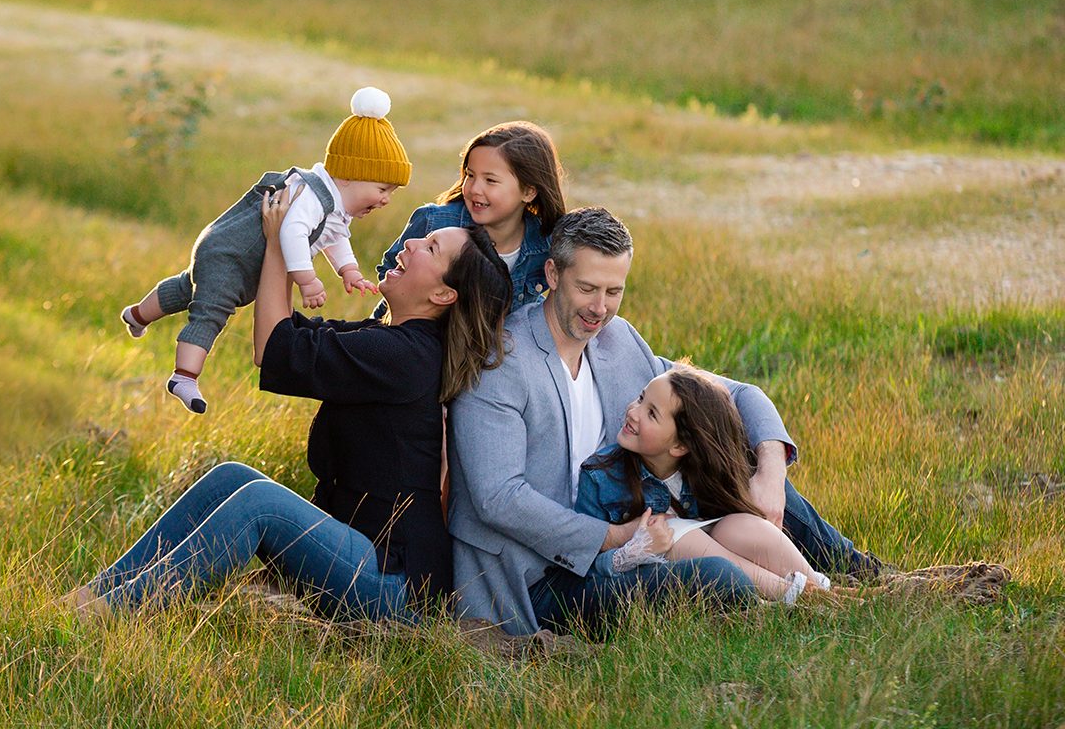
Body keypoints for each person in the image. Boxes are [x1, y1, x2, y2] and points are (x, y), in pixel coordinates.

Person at [68, 184, 514, 620]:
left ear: (443, 295)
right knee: (230, 478)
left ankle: (108, 612)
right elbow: (284, 334)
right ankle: (95, 595)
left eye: (431, 248)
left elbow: (273, 348)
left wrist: (281, 246)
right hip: (359, 556)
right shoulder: (391, 341)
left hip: (394, 586)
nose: (412, 242)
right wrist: (275, 243)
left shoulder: (406, 356)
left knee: (259, 502)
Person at [448, 207, 882, 635]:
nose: (600, 309)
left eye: (614, 291)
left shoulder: (618, 340)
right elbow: (498, 498)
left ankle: (873, 582)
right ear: (553, 274)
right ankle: (803, 599)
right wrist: (618, 537)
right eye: (587, 288)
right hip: (542, 578)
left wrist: (769, 470)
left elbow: (736, 396)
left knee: (761, 474)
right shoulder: (502, 362)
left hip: (642, 534)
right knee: (715, 577)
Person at [120, 86, 411, 414]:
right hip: (231, 253)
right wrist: (306, 279)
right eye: (383, 189)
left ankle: (137, 314)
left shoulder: (332, 205)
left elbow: (334, 236)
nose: (386, 199)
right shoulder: (311, 195)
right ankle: (184, 376)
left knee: (188, 286)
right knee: (212, 308)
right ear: (352, 176)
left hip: (231, 252)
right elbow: (291, 231)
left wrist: (349, 270)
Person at [578, 366, 846, 605]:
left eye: (651, 413)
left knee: (740, 526)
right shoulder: (600, 477)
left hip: (714, 562)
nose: (633, 413)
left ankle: (825, 590)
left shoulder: (703, 469)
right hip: (651, 580)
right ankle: (793, 595)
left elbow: (747, 397)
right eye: (640, 398)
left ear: (680, 446)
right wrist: (632, 551)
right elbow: (585, 567)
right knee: (672, 532)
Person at [373, 121, 566, 318]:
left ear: (528, 191)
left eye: (490, 180)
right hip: (420, 339)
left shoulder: (546, 244)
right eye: (470, 175)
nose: (474, 189)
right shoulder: (435, 222)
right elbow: (390, 271)